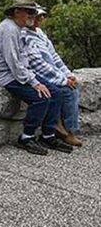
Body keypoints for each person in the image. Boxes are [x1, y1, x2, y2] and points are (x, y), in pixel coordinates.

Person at [0, 0, 72, 155]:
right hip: (6, 75)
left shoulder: (18, 28)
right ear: (17, 11)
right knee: (40, 98)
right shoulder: (9, 30)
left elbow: (22, 61)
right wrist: (34, 82)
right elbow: (14, 63)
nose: (33, 16)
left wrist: (34, 78)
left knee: (56, 93)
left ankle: (48, 135)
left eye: (34, 12)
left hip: (21, 73)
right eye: (29, 12)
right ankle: (26, 137)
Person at [23, 8, 82, 147]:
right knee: (67, 91)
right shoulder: (26, 36)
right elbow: (38, 65)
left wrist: (68, 74)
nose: (40, 19)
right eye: (37, 16)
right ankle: (65, 130)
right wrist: (63, 80)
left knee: (71, 89)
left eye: (42, 16)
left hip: (51, 73)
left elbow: (54, 57)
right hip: (39, 74)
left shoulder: (39, 33)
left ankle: (64, 128)